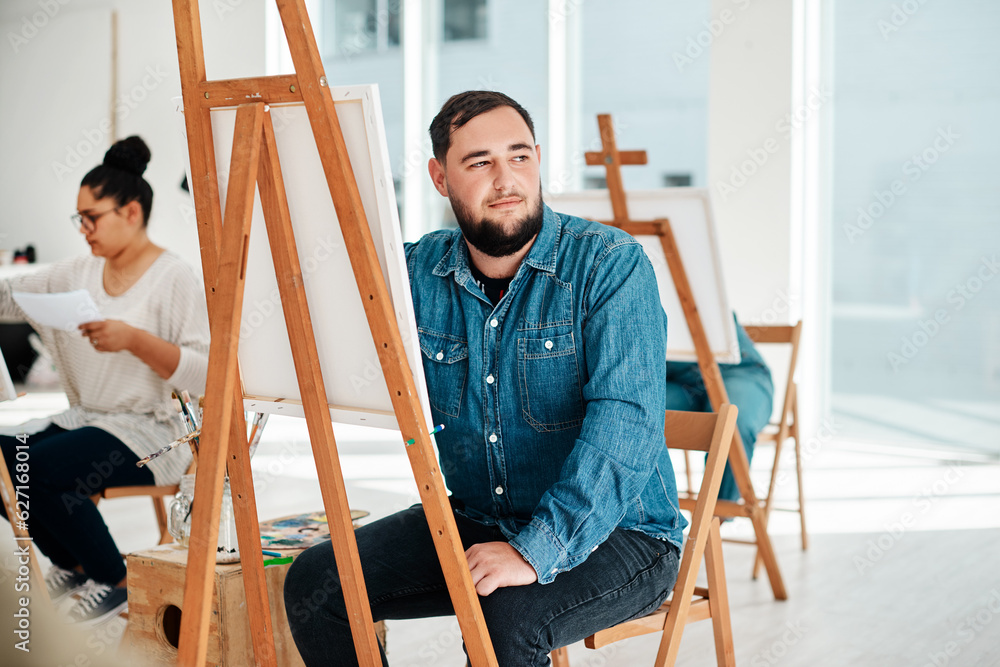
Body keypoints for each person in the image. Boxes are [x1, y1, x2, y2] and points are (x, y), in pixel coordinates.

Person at [284, 91, 685, 666]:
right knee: (316, 584)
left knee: (503, 617)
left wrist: (533, 550)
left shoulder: (609, 264)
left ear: (539, 159)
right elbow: (324, 285)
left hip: (622, 532)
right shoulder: (416, 272)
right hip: (479, 517)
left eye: (519, 157)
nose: (506, 181)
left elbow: (626, 427)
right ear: (440, 177)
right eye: (479, 163)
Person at [0, 136, 209, 625]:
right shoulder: (78, 272)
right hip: (86, 420)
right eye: (80, 219)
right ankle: (74, 566)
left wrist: (133, 338)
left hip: (155, 433)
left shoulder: (174, 278)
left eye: (91, 218)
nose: (84, 230)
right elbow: (10, 297)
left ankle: (114, 581)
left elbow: (205, 371)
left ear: (131, 212)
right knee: (6, 461)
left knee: (44, 467)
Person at [665, 317, 774, 502]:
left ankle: (714, 520)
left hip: (737, 370)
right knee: (627, 412)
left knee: (732, 421)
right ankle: (635, 519)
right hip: (682, 381)